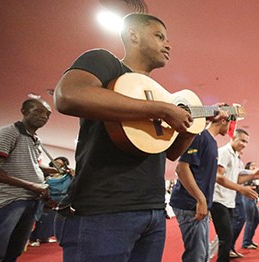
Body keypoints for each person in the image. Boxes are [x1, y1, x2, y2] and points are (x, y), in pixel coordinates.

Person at [53, 13, 202, 261]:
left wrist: (195, 124)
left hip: (153, 211)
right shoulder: (105, 62)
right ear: (133, 35)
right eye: (159, 36)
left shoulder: (161, 96)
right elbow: (68, 96)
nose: (168, 45)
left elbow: (171, 152)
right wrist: (161, 109)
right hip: (103, 211)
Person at [0, 98, 54, 261]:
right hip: (10, 200)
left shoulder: (35, 139)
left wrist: (50, 170)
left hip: (30, 199)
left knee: (14, 250)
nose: (44, 117)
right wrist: (33, 185)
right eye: (39, 111)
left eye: (48, 114)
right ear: (24, 111)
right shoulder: (9, 132)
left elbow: (27, 164)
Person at [169, 115, 231, 261]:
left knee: (202, 255)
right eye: (230, 123)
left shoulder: (211, 142)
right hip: (189, 203)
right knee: (196, 256)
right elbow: (182, 169)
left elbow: (204, 177)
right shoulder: (199, 136)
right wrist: (201, 199)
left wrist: (206, 203)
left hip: (197, 203)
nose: (229, 128)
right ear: (223, 120)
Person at [210, 128, 259, 262]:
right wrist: (241, 189)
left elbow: (236, 179)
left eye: (246, 142)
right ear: (233, 138)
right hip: (218, 200)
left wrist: (252, 176)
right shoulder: (224, 152)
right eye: (242, 140)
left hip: (229, 201)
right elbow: (218, 177)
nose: (244, 145)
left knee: (226, 238)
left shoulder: (236, 157)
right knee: (226, 238)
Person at [29, 156, 75, 246]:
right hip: (46, 201)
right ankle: (35, 238)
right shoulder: (45, 176)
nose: (57, 165)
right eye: (55, 163)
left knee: (52, 222)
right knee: (42, 220)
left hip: (61, 202)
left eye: (60, 164)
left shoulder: (69, 176)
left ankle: (44, 237)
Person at [241, 162, 259, 250]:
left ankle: (249, 240)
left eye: (255, 165)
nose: (254, 166)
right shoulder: (245, 174)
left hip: (252, 199)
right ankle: (246, 242)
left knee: (256, 220)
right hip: (247, 198)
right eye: (252, 165)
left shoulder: (253, 177)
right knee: (249, 221)